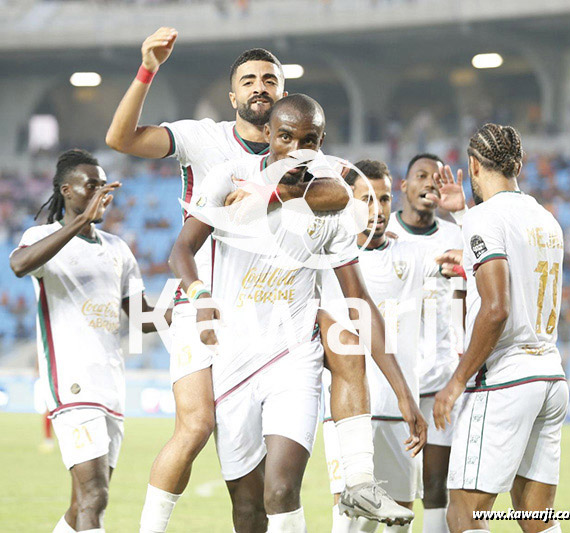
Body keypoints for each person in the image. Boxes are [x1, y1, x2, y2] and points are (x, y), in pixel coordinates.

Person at [106, 28, 415, 530]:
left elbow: (337, 196)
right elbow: (121, 141)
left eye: (270, 79)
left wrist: (281, 198)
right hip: (201, 301)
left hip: (279, 314)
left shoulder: (315, 172)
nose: (259, 86)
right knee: (197, 426)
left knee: (340, 325)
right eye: (248, 79)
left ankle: (358, 479)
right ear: (234, 97)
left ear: (284, 97)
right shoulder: (206, 145)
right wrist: (148, 68)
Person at [169, 94, 425, 532]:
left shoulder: (332, 204)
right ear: (267, 133)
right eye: (285, 136)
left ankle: (359, 482)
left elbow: (359, 300)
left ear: (321, 142)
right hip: (233, 361)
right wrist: (198, 294)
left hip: (293, 361)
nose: (297, 148)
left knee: (281, 490)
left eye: (309, 139)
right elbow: (181, 250)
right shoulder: (228, 178)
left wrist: (401, 389)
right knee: (248, 509)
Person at [9, 149, 170, 533]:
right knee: (96, 496)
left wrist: (189, 306)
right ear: (66, 190)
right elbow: (18, 265)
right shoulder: (42, 237)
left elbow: (143, 319)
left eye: (103, 184)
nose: (101, 193)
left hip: (111, 387)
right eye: (90, 185)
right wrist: (79, 221)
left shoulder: (118, 250)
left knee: (82, 502)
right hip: (72, 384)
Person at [433, 124, 568, 533]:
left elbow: (496, 310)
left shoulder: (486, 219)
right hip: (549, 377)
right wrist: (464, 215)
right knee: (538, 520)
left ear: (472, 165)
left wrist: (456, 383)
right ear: (519, 164)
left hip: (504, 381)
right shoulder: (546, 219)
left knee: (464, 516)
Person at [321, 160, 463, 533]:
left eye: (383, 199)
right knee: (353, 521)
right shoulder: (326, 261)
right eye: (366, 199)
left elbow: (466, 260)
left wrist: (464, 217)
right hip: (349, 413)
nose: (378, 210)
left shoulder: (411, 256)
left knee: (399, 521)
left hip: (402, 412)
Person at [387, 153, 466, 533]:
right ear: (403, 186)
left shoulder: (457, 237)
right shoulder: (380, 233)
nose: (429, 183)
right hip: (392, 380)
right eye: (420, 175)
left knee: (436, 486)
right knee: (390, 488)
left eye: (436, 178)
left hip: (440, 378)